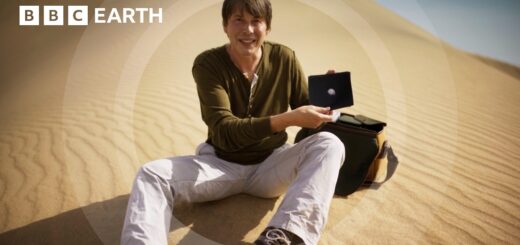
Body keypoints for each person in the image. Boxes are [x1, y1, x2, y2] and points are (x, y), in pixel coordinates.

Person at [121, 0, 345, 244]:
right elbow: (225, 130)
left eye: (256, 21)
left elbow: (304, 107)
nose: (247, 30)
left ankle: (287, 236)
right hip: (220, 166)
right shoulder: (209, 64)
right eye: (239, 20)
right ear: (225, 26)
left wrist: (324, 104)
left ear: (267, 27)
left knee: (329, 144)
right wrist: (289, 119)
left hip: (271, 166)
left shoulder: (284, 58)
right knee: (151, 174)